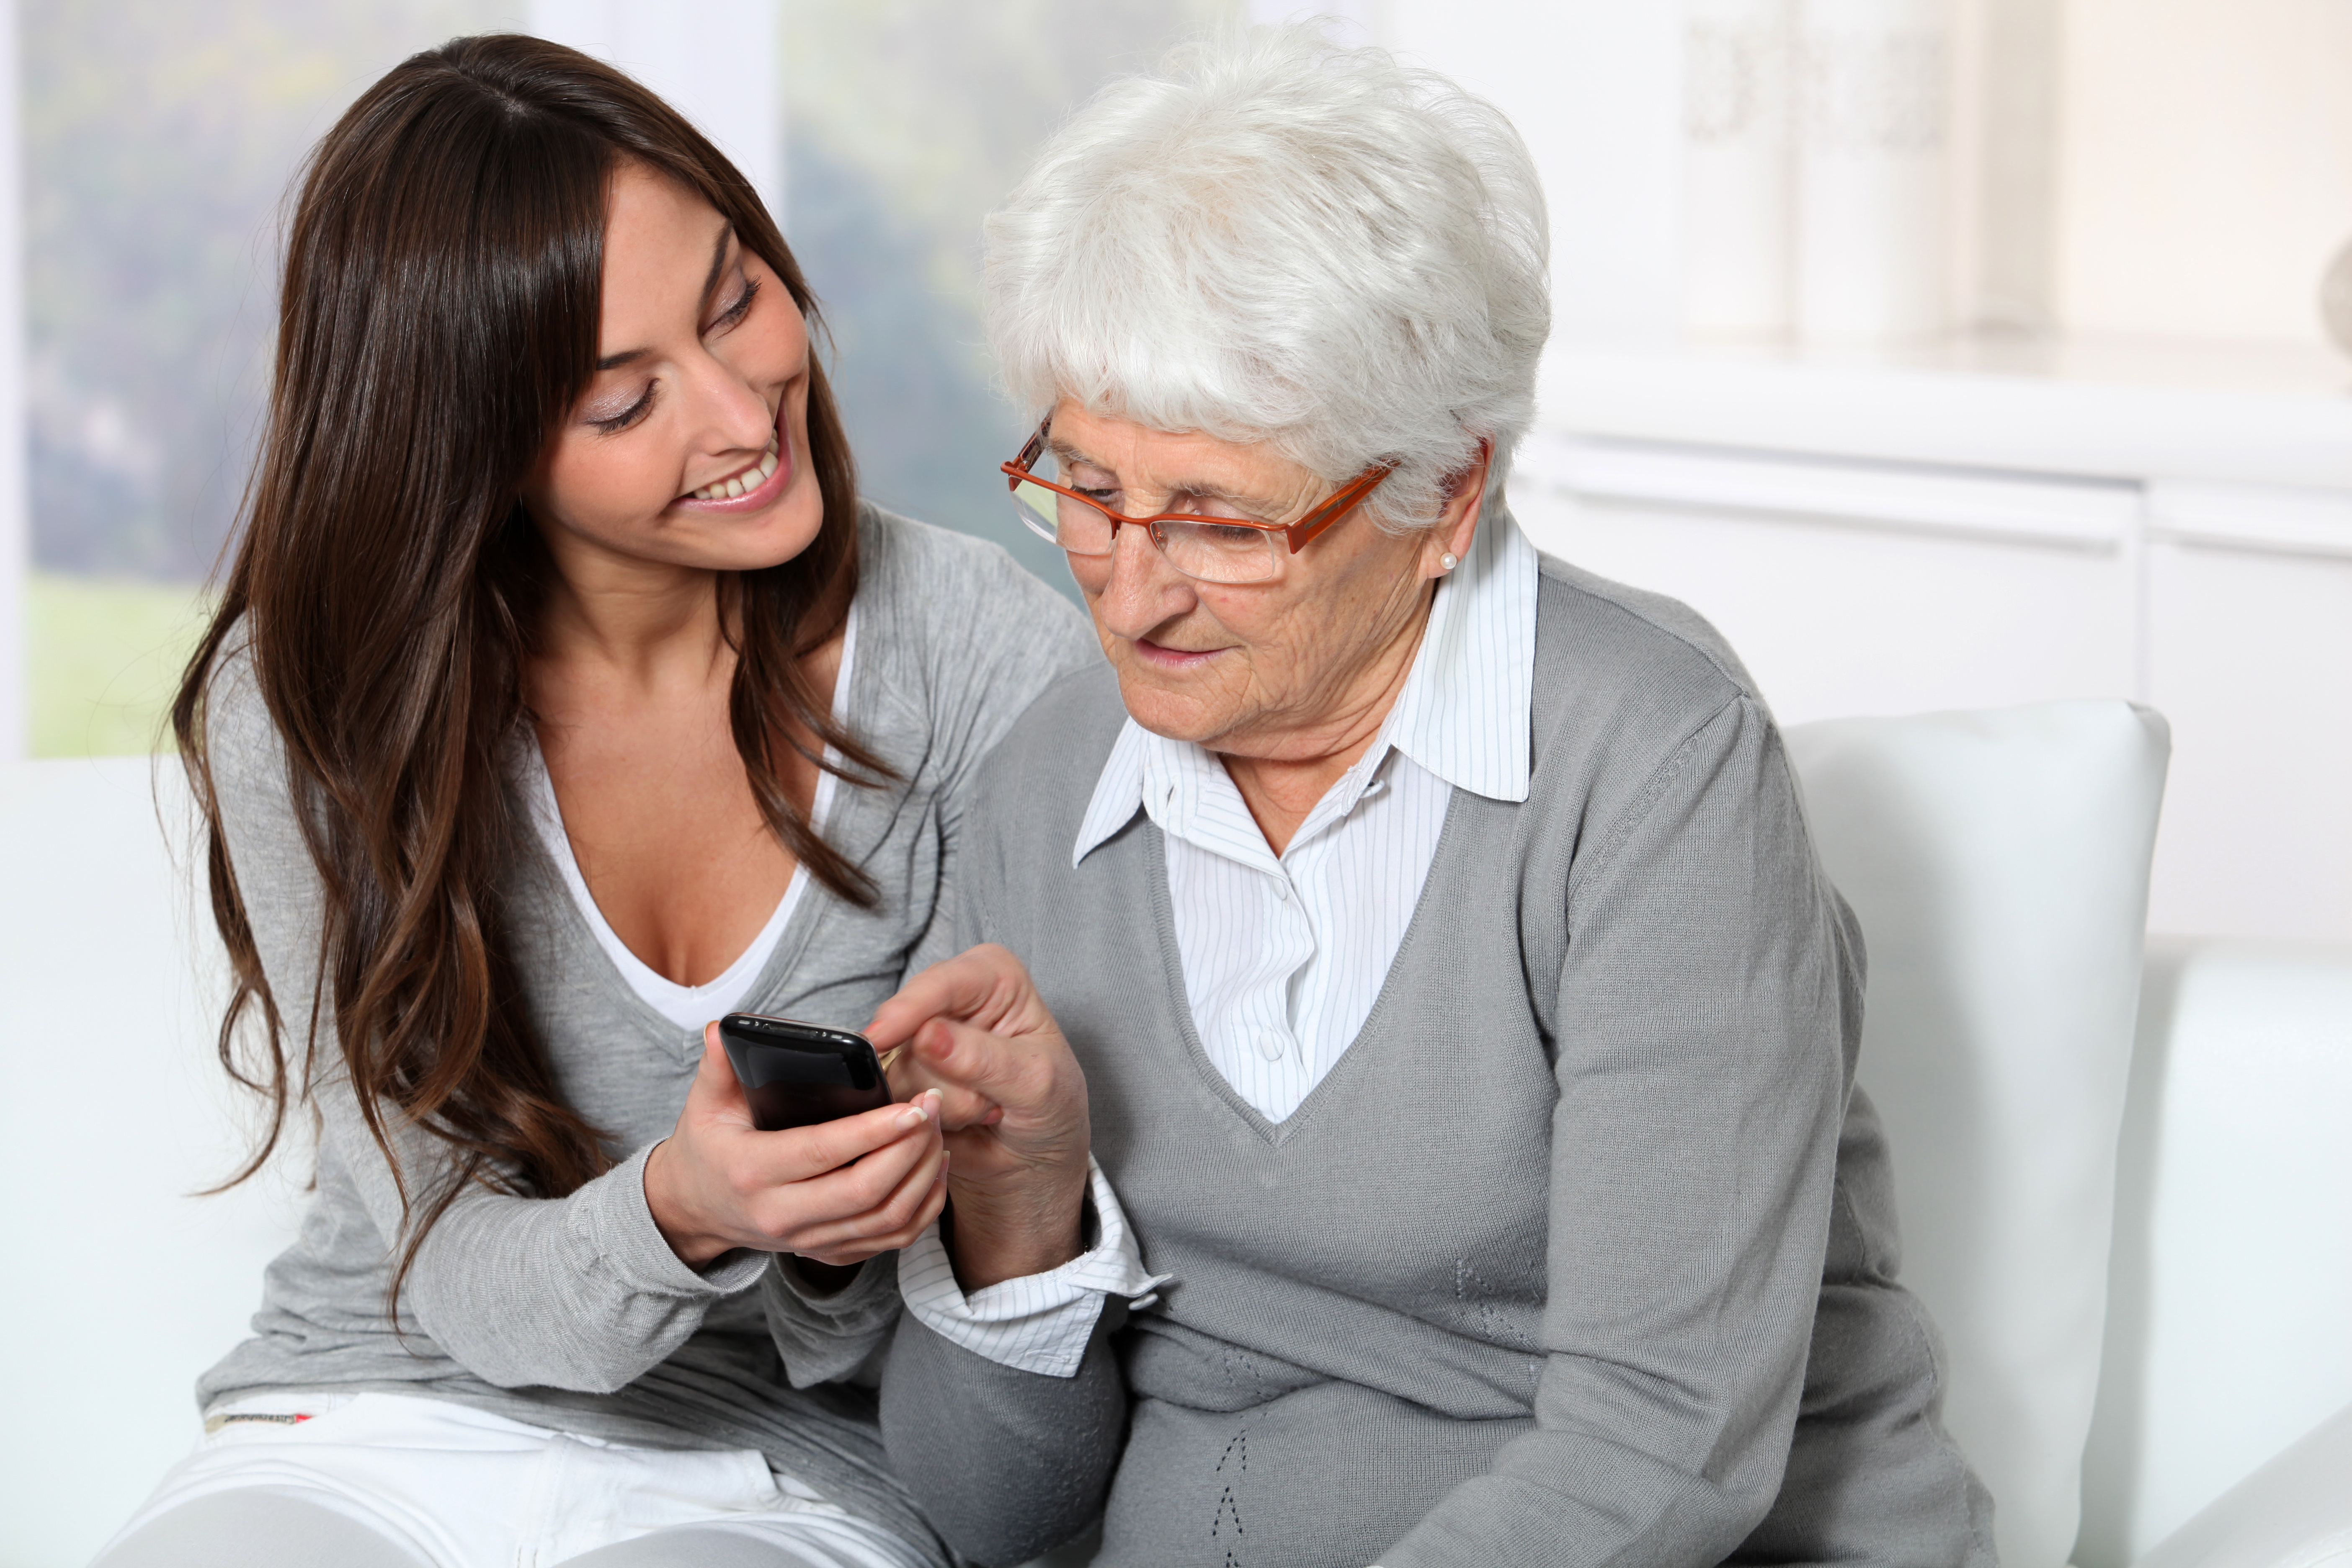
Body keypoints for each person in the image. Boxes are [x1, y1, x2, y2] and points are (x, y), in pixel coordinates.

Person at [850, 31, 1998, 1568]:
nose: (1128, 588)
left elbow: (1666, 1448)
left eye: (1218, 521)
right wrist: (1021, 1216)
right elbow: (990, 1518)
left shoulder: (1653, 764)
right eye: (1088, 488)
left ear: (1444, 495)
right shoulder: (1046, 788)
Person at [91, 34, 1094, 1568]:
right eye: (625, 403)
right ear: (471, 453)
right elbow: (449, 1261)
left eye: (735, 300)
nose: (745, 414)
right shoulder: (313, 707)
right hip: (374, 1414)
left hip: (779, 1471)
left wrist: (867, 1209)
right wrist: (687, 1204)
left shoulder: (978, 659)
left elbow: (940, 1338)